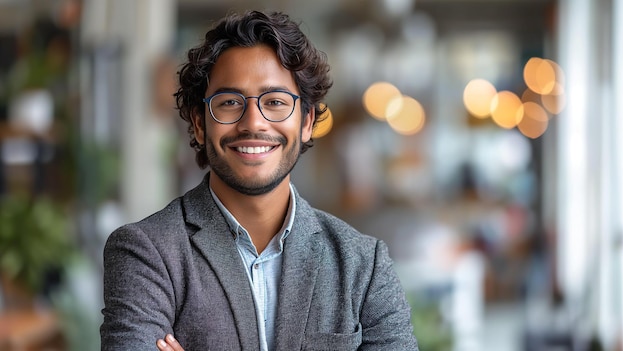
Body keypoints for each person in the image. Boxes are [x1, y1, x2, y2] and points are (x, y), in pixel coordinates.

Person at [100, 10, 419, 351]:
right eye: (229, 103)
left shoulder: (363, 265)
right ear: (198, 123)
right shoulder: (146, 252)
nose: (254, 122)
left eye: (275, 102)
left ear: (307, 121)